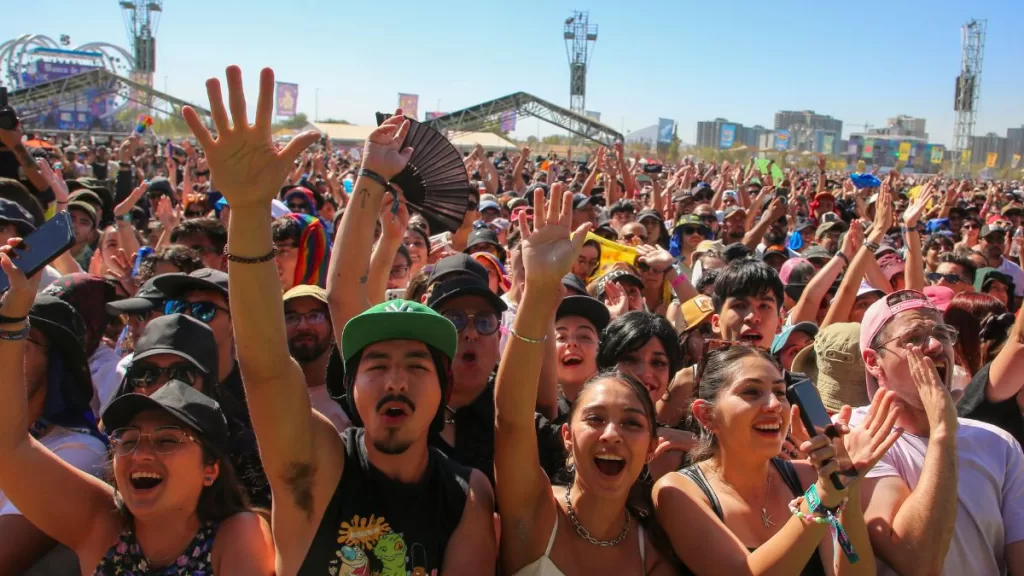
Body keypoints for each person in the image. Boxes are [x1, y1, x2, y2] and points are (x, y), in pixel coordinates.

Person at [182, 67, 495, 574]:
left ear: (444, 386)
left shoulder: (467, 495)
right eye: (376, 366)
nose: (395, 380)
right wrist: (248, 211)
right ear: (350, 386)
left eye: (417, 366)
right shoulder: (314, 464)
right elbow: (263, 362)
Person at [0, 247, 274, 574]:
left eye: (168, 440)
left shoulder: (241, 533)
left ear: (211, 469)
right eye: (128, 440)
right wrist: (13, 319)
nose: (141, 453)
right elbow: (10, 447)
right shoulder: (101, 524)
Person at [494, 185, 675, 575]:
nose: (612, 434)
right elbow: (511, 418)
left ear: (651, 448)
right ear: (566, 435)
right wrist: (539, 291)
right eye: (594, 418)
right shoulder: (533, 514)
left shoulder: (655, 552)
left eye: (631, 422)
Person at [653, 345, 902, 576]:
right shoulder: (678, 491)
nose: (773, 404)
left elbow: (855, 569)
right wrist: (821, 499)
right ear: (706, 415)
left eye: (780, 392)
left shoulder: (807, 476)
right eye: (751, 392)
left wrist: (847, 485)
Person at [858, 290, 1024, 575]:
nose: (935, 345)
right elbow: (918, 560)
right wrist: (942, 432)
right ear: (874, 361)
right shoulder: (857, 437)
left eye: (943, 334)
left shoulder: (998, 443)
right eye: (914, 338)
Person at [283, 284, 350, 432]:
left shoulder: (351, 396)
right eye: (292, 318)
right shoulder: (271, 391)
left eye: (314, 316)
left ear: (333, 327)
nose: (302, 326)